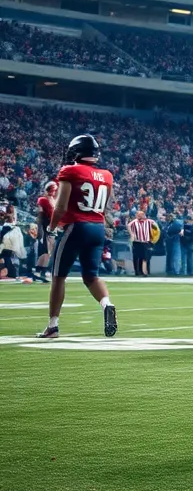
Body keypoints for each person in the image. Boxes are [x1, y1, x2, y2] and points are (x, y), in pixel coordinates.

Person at [37, 135, 117, 339]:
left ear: (77, 152)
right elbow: (106, 206)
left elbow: (61, 206)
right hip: (97, 227)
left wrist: (52, 228)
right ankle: (107, 303)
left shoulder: (70, 171)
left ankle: (53, 326)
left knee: (58, 276)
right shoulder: (107, 175)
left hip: (76, 226)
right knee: (91, 276)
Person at [34, 181, 56, 282]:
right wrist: (40, 229)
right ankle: (39, 271)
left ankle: (40, 271)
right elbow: (40, 215)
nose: (53, 192)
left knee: (50, 251)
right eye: (52, 190)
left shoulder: (54, 200)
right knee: (45, 250)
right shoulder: (43, 200)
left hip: (53, 227)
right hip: (45, 226)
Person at [127, 210, 157, 277]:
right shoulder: (135, 221)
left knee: (144, 257)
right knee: (136, 257)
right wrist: (132, 234)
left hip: (145, 242)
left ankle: (143, 271)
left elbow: (156, 227)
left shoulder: (149, 221)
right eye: (138, 214)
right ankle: (137, 271)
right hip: (137, 242)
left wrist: (153, 237)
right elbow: (128, 225)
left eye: (140, 214)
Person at [162, 209, 183, 276]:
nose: (169, 217)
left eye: (171, 216)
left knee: (176, 256)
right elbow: (165, 232)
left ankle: (176, 271)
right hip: (169, 241)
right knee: (170, 256)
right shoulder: (168, 224)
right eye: (168, 216)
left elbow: (180, 229)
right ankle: (170, 270)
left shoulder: (177, 223)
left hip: (175, 240)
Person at [181, 213, 193, 278]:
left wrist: (184, 238)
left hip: (188, 244)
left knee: (185, 258)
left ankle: (185, 272)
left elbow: (192, 237)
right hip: (192, 243)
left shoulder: (185, 227)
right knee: (192, 258)